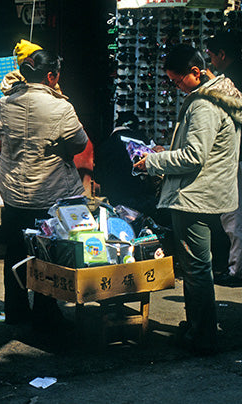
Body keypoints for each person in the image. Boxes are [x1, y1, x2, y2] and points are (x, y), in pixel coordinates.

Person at [134, 44, 242, 355]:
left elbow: (194, 156)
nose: (177, 87)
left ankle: (202, 336)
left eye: (179, 81)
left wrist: (153, 162)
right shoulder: (225, 95)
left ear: (197, 72)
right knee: (200, 268)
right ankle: (199, 328)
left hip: (194, 196)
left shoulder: (204, 104)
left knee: (196, 271)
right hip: (213, 191)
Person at [0, 45, 89, 328]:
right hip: (47, 194)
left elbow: (0, 131)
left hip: (12, 192)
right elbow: (80, 142)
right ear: (51, 76)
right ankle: (46, 313)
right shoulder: (61, 107)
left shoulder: (6, 102)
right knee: (46, 255)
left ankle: (15, 311)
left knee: (15, 250)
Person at [206, 31, 242, 285]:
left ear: (222, 55)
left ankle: (236, 270)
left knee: (234, 215)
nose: (211, 62)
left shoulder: (230, 81)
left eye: (211, 56)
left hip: (238, 156)